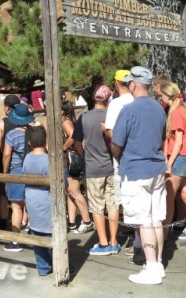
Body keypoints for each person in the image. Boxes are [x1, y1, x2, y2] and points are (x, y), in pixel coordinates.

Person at [110, 66, 168, 285]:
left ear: (134, 85)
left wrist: (121, 159)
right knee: (156, 219)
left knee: (143, 222)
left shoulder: (129, 110)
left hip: (135, 170)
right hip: (157, 169)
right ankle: (158, 263)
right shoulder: (159, 109)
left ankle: (151, 268)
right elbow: (162, 137)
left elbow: (116, 144)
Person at [73, 84, 120, 255]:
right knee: (113, 204)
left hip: (93, 167)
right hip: (112, 166)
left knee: (97, 207)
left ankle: (103, 243)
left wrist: (85, 156)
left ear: (94, 98)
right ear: (108, 99)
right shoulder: (113, 116)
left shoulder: (84, 117)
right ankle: (114, 241)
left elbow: (77, 143)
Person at [158, 80, 186, 246]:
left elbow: (178, 142)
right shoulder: (183, 110)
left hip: (179, 158)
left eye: (161, 96)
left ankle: (163, 237)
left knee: (168, 198)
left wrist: (169, 163)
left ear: (168, 95)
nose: (160, 99)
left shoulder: (176, 112)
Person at [103, 69, 142, 263]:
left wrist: (105, 130)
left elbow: (111, 133)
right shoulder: (139, 100)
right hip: (141, 156)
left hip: (123, 158)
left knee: (127, 200)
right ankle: (138, 238)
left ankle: (138, 242)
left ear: (117, 83)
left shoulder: (116, 103)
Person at [22, 125, 55, 276]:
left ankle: (43, 267)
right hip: (47, 202)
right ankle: (62, 264)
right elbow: (61, 183)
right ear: (46, 140)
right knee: (53, 235)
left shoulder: (27, 158)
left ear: (29, 142)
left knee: (36, 235)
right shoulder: (49, 160)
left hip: (32, 201)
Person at [2, 103, 34, 252]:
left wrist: (5, 173)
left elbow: (7, 154)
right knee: (31, 205)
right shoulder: (33, 133)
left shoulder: (11, 135)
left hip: (16, 172)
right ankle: (33, 237)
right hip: (32, 171)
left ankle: (16, 241)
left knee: (16, 207)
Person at [62, 100, 93, 233]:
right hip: (68, 161)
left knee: (75, 192)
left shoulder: (65, 122)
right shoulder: (67, 121)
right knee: (70, 192)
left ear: (62, 111)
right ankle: (72, 222)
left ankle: (87, 221)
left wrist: (63, 147)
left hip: (69, 161)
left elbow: (73, 135)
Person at [0, 94, 21, 230]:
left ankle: (3, 222)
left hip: (6, 163)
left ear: (6, 108)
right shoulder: (25, 122)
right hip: (23, 163)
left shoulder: (2, 123)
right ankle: (24, 222)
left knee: (4, 194)